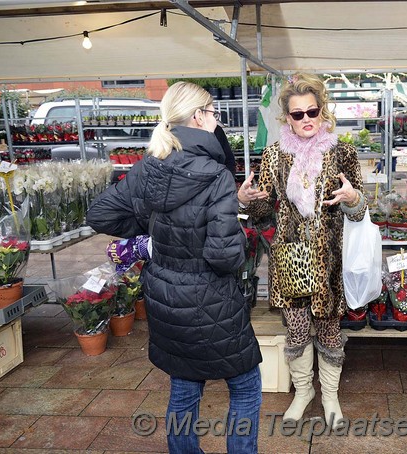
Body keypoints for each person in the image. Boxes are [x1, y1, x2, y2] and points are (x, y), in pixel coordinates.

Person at [86, 81, 262, 454]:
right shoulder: (215, 176)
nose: (216, 119)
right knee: (245, 386)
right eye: (213, 111)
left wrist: (153, 234)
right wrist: (238, 233)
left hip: (166, 299)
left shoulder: (148, 167)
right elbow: (224, 256)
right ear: (198, 116)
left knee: (184, 388)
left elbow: (99, 213)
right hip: (212, 300)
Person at [238, 73, 366, 429]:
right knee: (296, 332)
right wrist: (246, 200)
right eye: (298, 114)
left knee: (328, 331)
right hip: (290, 260)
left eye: (312, 111)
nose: (307, 119)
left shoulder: (343, 153)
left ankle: (330, 395)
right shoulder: (276, 154)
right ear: (287, 118)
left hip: (329, 261)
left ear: (323, 111)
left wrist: (354, 199)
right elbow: (262, 210)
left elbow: (360, 209)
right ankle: (303, 391)